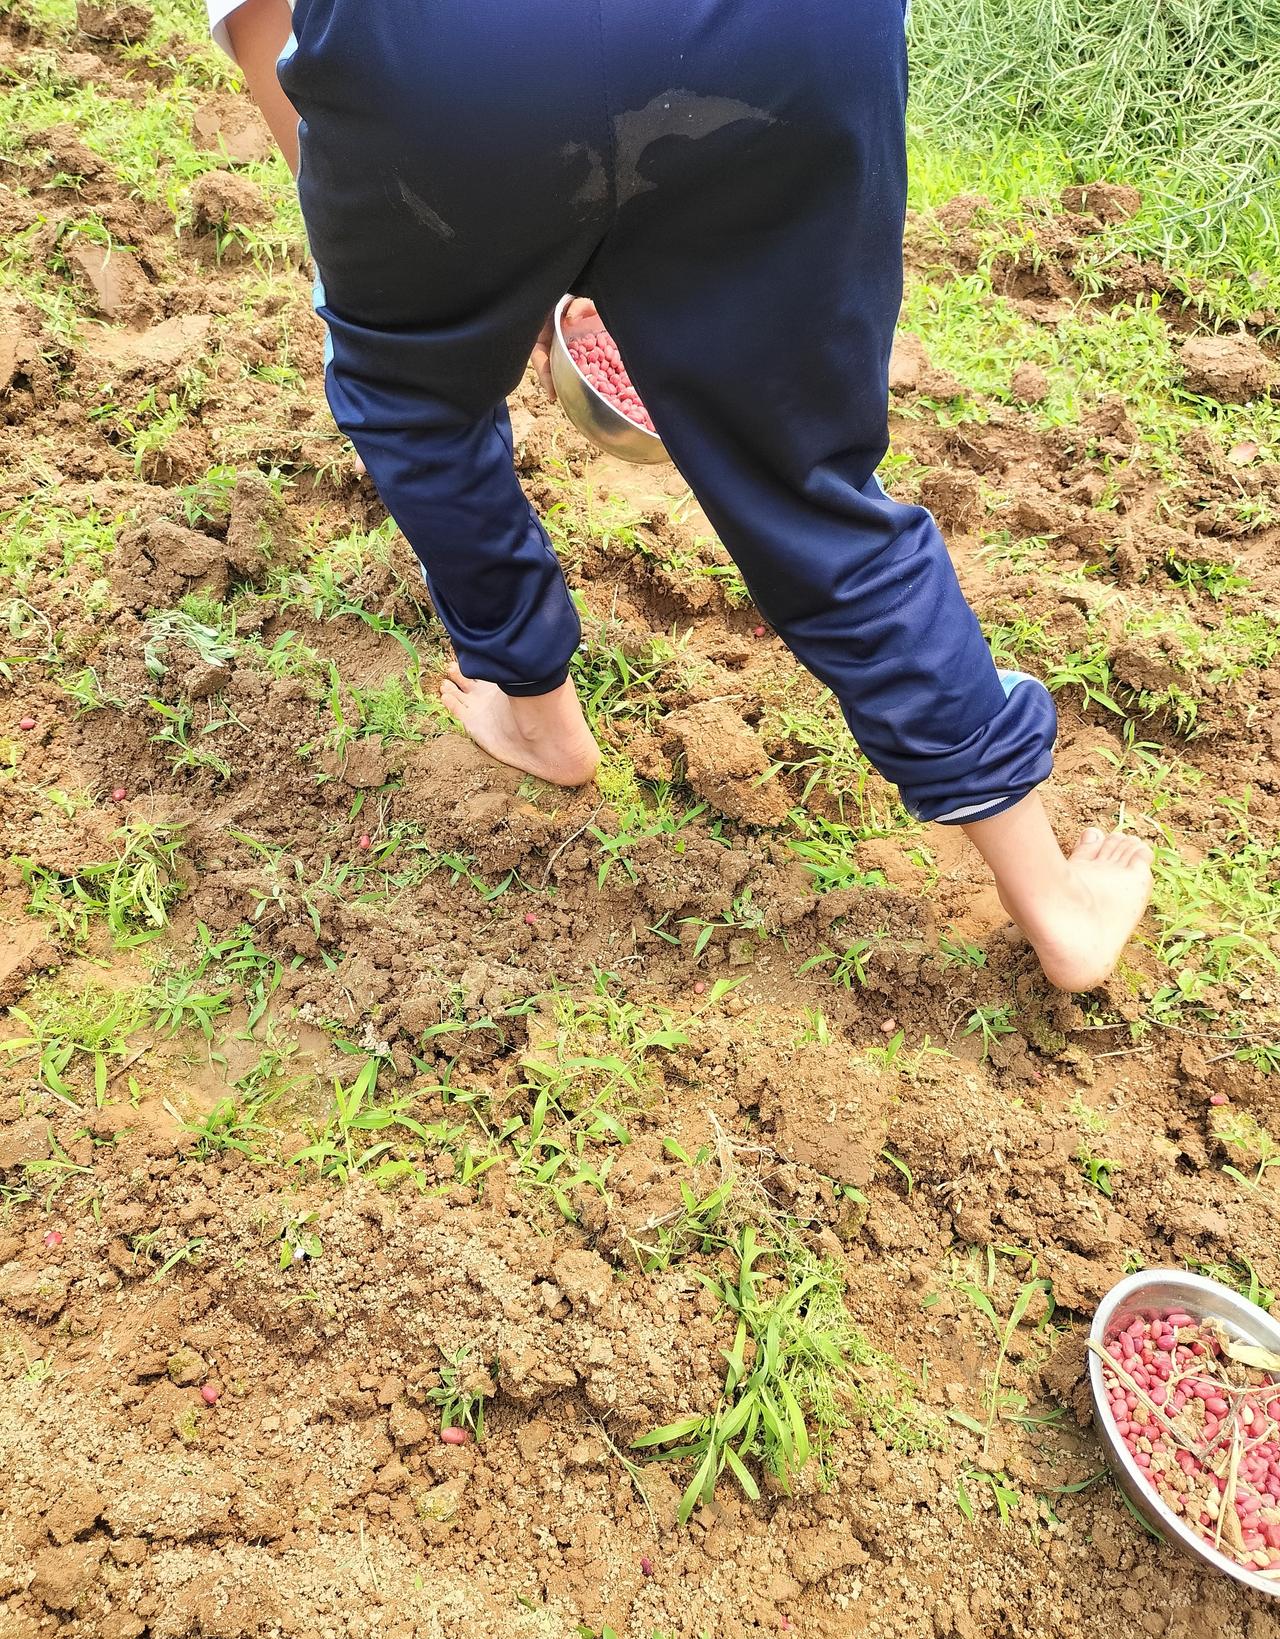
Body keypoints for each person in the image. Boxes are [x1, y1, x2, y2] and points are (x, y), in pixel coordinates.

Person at [205, 0, 1154, 992]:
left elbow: (278, 42)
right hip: (793, 32)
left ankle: (537, 714)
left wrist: (467, 264)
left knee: (410, 398)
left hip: (455, 44)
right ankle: (1051, 900)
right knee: (806, 474)